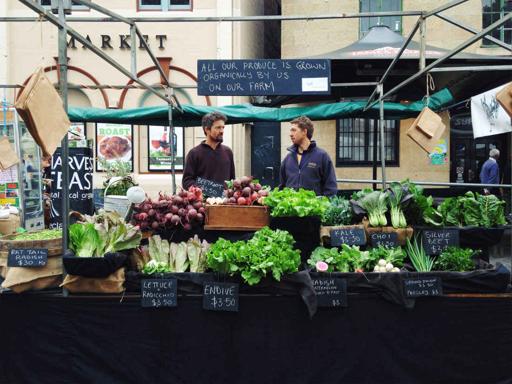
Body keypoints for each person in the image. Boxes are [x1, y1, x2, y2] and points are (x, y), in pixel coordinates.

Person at [279, 116, 337, 197]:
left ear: (304, 132)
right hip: (290, 209)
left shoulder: (322, 156)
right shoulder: (288, 159)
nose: (290, 134)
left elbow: (331, 189)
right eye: (290, 131)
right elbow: (282, 188)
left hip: (314, 209)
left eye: (294, 130)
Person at [182, 111, 235, 190]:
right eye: (218, 127)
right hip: (202, 201)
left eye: (223, 127)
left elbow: (232, 180)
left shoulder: (228, 152)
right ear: (207, 129)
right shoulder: (194, 153)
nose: (222, 131)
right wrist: (213, 190)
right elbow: (187, 182)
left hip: (226, 202)